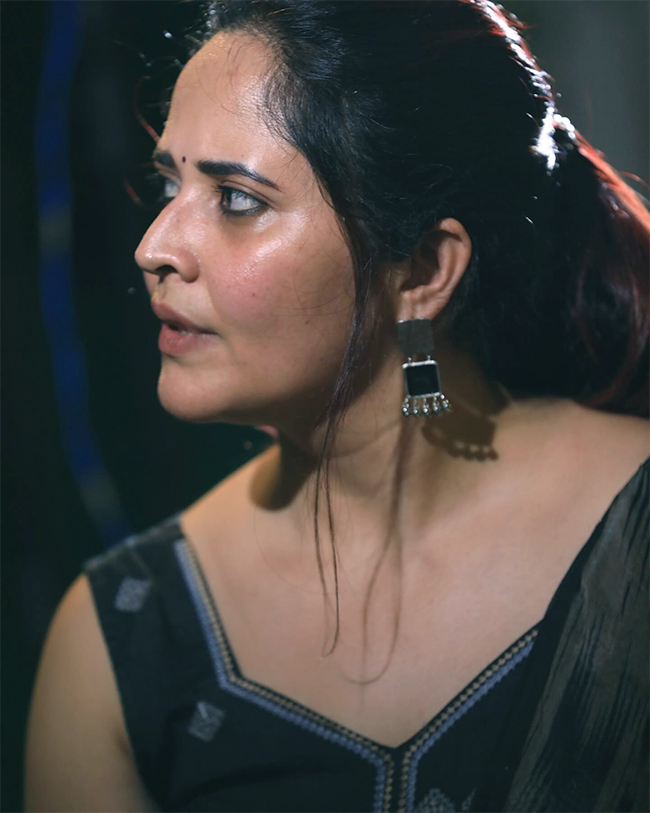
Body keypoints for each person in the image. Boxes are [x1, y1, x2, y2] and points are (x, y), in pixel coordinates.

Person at [25, 1, 649, 811]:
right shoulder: (120, 639)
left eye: (236, 199)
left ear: (423, 270)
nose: (154, 248)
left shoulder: (633, 532)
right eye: (168, 184)